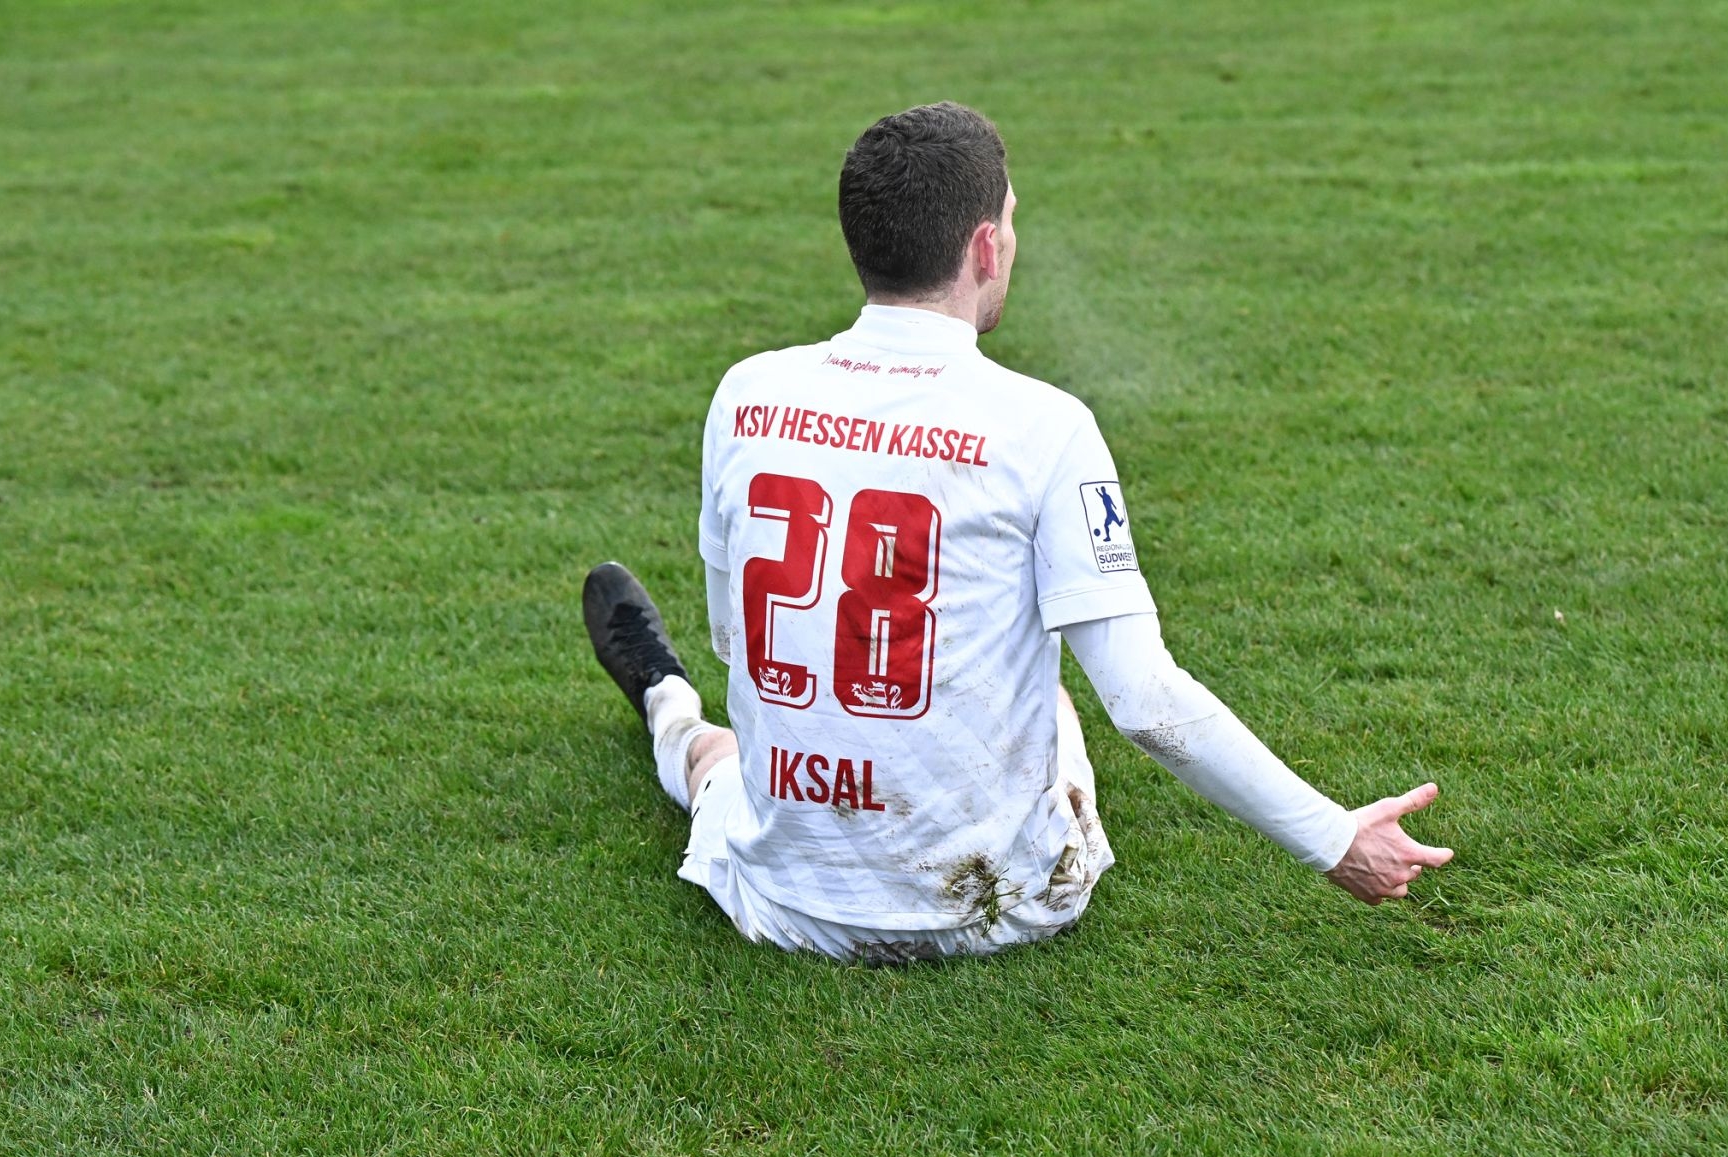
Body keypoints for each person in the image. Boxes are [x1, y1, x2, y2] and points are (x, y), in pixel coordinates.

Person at [584, 101, 1452, 963]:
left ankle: (665, 696)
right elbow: (1146, 702)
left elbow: (737, 641)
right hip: (991, 910)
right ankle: (673, 701)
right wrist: (1334, 838)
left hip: (782, 900)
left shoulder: (747, 391)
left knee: (713, 757)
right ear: (984, 248)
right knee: (1056, 695)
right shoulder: (1046, 426)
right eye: (1009, 219)